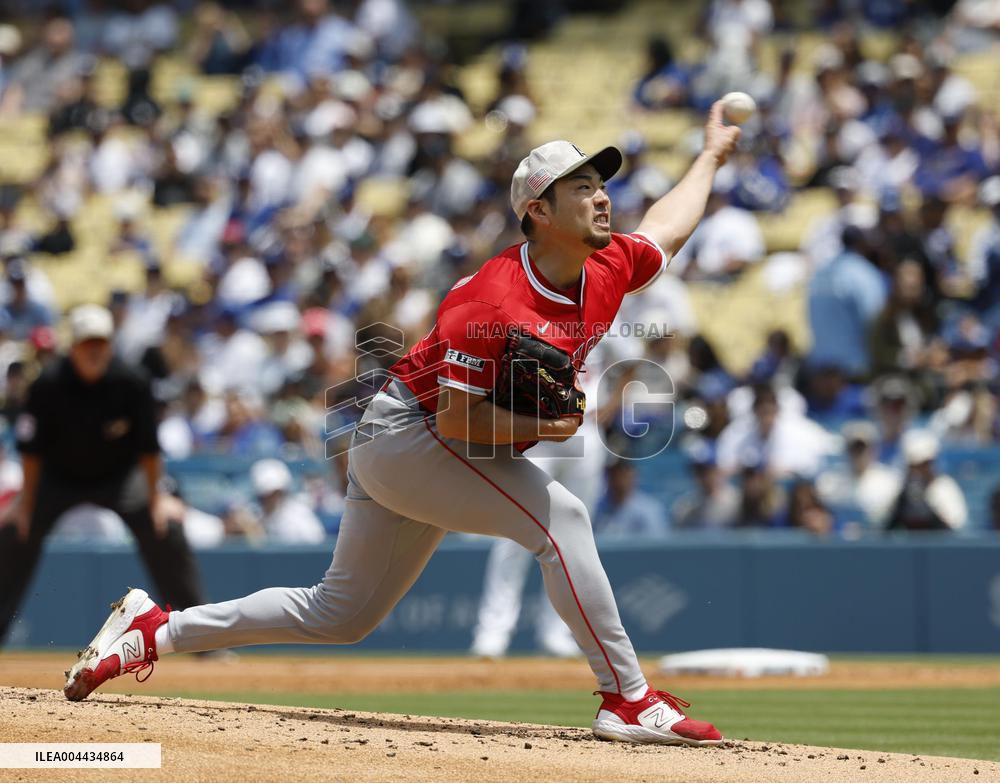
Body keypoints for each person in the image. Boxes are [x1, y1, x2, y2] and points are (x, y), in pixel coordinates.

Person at [61, 102, 742, 748]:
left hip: (416, 443)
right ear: (537, 209)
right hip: (411, 434)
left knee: (340, 613)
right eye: (583, 186)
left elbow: (667, 227)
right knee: (559, 519)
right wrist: (550, 428)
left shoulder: (608, 265)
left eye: (602, 185)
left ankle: (155, 630)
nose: (602, 197)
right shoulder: (490, 302)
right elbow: (459, 419)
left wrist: (711, 154)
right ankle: (627, 696)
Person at [0, 305, 205, 646]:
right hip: (57, 478)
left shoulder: (132, 381)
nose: (94, 350)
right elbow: (31, 452)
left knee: (164, 527)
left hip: (119, 477)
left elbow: (149, 449)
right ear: (73, 346)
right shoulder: (48, 384)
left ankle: (199, 636)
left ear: (110, 345)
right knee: (14, 530)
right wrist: (25, 503)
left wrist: (156, 499)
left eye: (101, 342)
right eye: (86, 343)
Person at [886, 429, 968, 531]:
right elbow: (885, 528)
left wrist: (928, 505)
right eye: (915, 466)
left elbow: (954, 527)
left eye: (925, 464)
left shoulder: (945, 487)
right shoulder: (900, 488)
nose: (920, 470)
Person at [592, 459, 669, 539]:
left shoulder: (650, 510)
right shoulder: (596, 508)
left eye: (624, 473)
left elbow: (657, 546)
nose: (619, 479)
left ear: (633, 475)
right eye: (614, 473)